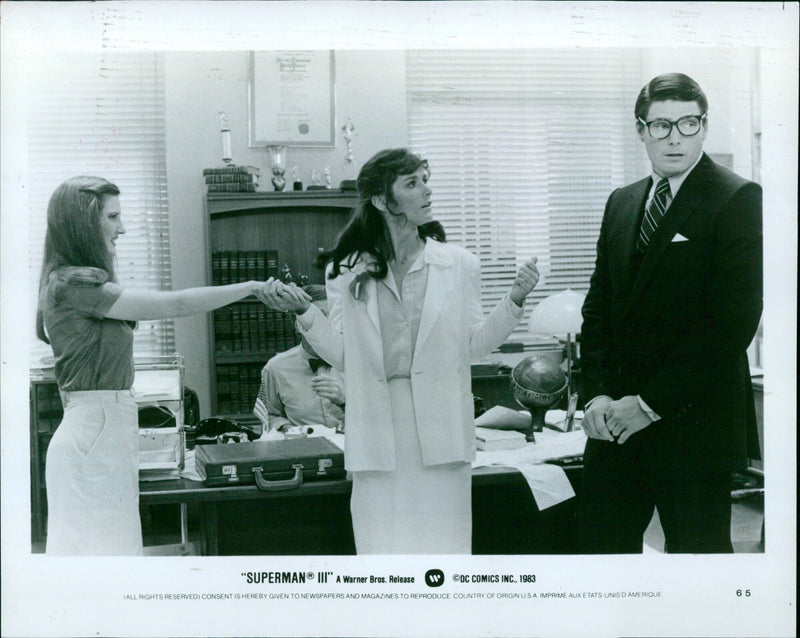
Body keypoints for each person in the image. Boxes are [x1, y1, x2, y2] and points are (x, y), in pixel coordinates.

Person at [258, 148, 540, 554]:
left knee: (445, 555)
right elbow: (341, 355)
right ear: (382, 200)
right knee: (381, 554)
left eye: (426, 179)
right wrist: (305, 310)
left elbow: (474, 345)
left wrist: (514, 299)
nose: (427, 190)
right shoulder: (345, 269)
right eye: (412, 183)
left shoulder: (459, 264)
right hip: (376, 427)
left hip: (442, 428)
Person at [36, 175, 304, 556]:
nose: (123, 228)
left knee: (112, 560)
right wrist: (250, 287)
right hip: (95, 431)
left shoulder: (74, 284)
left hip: (103, 428)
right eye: (112, 217)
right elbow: (174, 305)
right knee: (103, 565)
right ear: (83, 223)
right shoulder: (74, 285)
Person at [578, 73, 763, 553]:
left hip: (692, 427)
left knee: (698, 574)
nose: (675, 136)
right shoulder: (621, 202)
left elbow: (731, 324)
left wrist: (646, 405)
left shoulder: (738, 198)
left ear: (703, 127)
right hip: (613, 426)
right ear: (641, 130)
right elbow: (598, 307)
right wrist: (595, 395)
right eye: (660, 125)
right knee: (599, 561)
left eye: (688, 123)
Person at [253, 284, 345, 433]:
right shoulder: (275, 368)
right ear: (298, 324)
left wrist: (344, 401)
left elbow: (379, 414)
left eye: (331, 317)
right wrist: (288, 429)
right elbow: (268, 415)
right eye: (319, 317)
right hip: (302, 450)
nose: (326, 325)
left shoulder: (359, 363)